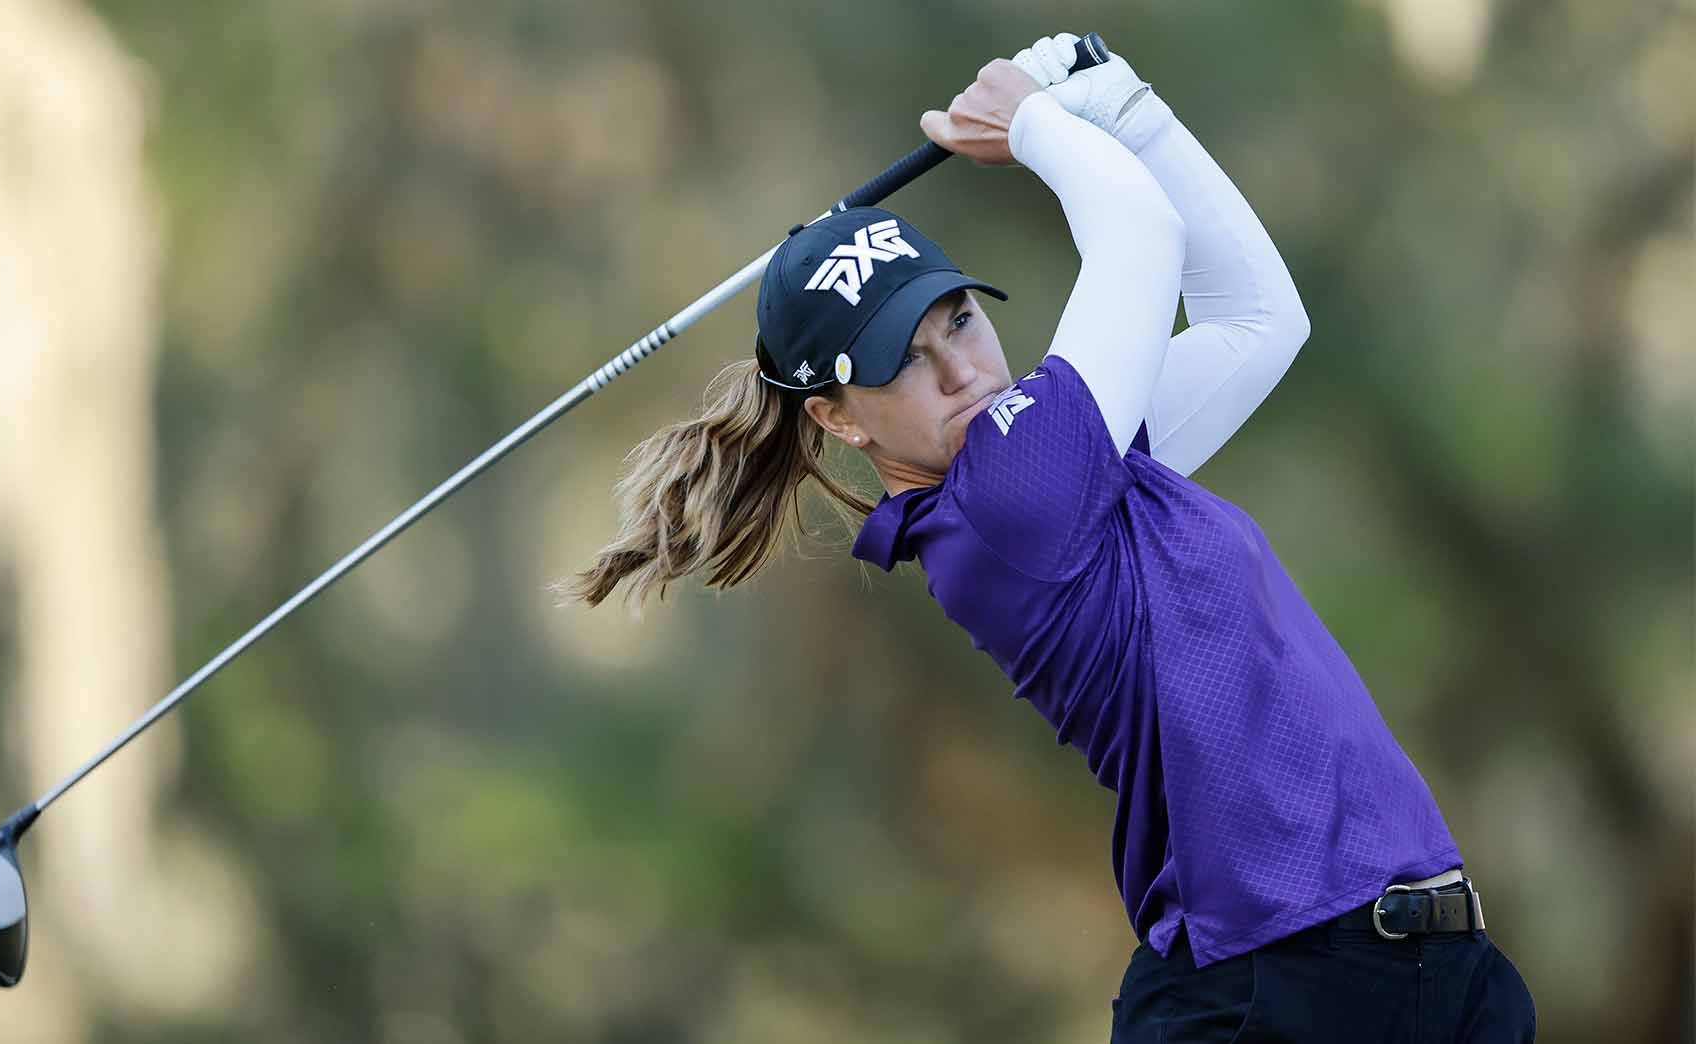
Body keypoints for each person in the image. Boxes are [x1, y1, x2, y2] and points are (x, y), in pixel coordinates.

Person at [563, 33, 1537, 1043]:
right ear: (839, 420)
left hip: (1433, 975)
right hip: (1272, 991)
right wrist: (1031, 120)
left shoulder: (1075, 462)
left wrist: (1115, 102)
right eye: (903, 361)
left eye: (957, 322)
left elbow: (1256, 320)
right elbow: (1139, 237)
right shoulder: (1005, 503)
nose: (959, 370)